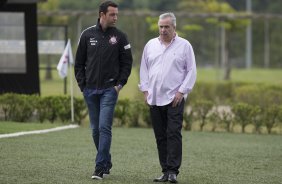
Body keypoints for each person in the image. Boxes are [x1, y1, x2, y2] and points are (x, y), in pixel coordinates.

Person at [74, 1, 133, 180]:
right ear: (102, 15)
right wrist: (83, 86)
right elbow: (78, 64)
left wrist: (119, 85)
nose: (116, 17)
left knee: (104, 128)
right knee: (95, 130)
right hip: (90, 90)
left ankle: (99, 168)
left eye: (117, 14)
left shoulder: (120, 37)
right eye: (112, 14)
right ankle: (106, 161)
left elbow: (127, 63)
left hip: (109, 90)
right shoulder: (86, 35)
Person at [139, 12, 197, 183]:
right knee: (160, 136)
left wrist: (182, 91)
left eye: (167, 27)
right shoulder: (150, 45)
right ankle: (165, 171)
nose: (163, 30)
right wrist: (145, 91)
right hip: (154, 99)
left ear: (174, 27)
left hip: (174, 99)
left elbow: (191, 71)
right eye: (161, 27)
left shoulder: (185, 46)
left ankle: (173, 171)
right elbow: (144, 69)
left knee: (173, 133)